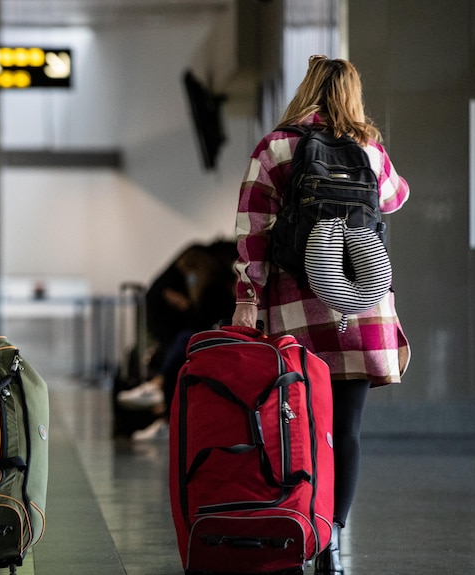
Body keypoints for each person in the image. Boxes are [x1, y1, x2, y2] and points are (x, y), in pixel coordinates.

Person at [230, 55, 410, 575]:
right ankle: (333, 543)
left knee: (304, 425)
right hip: (362, 306)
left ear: (306, 89)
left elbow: (253, 229)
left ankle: (303, 527)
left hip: (298, 307)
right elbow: (397, 198)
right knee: (347, 430)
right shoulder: (369, 149)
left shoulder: (277, 148)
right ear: (352, 94)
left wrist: (248, 298)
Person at [117, 240, 237, 439]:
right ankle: (162, 406)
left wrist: (185, 306)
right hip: (206, 335)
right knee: (182, 346)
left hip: (216, 338)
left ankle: (159, 392)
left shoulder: (216, 291)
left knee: (183, 342)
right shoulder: (208, 291)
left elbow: (202, 321)